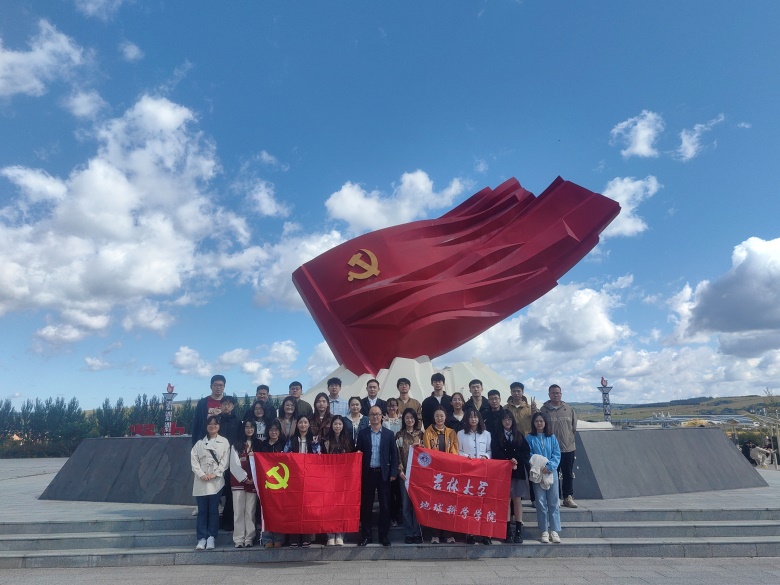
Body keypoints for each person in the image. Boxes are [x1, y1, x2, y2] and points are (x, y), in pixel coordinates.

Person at [356, 406, 398, 547]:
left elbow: (394, 455)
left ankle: (383, 536)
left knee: (385, 506)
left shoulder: (389, 434)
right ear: (368, 416)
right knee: (366, 506)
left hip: (383, 474)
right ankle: (366, 536)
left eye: (378, 414)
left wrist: (393, 472)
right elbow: (358, 454)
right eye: (372, 414)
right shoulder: (363, 434)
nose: (375, 417)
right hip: (368, 473)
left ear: (382, 416)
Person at [191, 415, 229, 550]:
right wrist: (202, 474)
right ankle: (201, 538)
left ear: (219, 426)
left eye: (215, 424)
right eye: (210, 424)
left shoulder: (224, 442)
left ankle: (211, 537)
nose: (213, 426)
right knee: (202, 511)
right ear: (206, 426)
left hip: (216, 481)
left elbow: (225, 461)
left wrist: (215, 473)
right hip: (201, 481)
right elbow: (194, 461)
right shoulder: (199, 443)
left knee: (213, 510)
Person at [492, 409, 531, 543]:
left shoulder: (518, 435)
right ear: (501, 421)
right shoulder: (497, 436)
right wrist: (508, 461)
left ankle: (518, 530)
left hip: (517, 471)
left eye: (509, 419)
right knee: (506, 500)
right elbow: (495, 452)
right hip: (503, 472)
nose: (507, 422)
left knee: (517, 499)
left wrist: (516, 460)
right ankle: (507, 530)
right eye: (505, 419)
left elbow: (525, 451)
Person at [422, 405, 458, 544]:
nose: (439, 418)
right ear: (433, 417)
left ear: (445, 417)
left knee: (448, 504)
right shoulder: (428, 432)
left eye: (441, 416)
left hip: (449, 473)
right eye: (437, 416)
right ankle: (435, 534)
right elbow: (427, 452)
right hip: (434, 473)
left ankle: (448, 534)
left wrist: (448, 464)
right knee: (435, 504)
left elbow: (454, 451)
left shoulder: (451, 432)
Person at [283, 416, 320, 548]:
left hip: (309, 478)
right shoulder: (291, 440)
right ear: (297, 425)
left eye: (305, 422)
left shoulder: (314, 440)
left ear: (309, 425)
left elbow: (318, 457)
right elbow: (284, 456)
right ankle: (293, 537)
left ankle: (306, 537)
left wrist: (314, 445)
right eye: (300, 422)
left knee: (307, 508)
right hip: (294, 479)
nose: (303, 425)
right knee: (294, 508)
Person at [457, 408, 492, 545]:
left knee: (484, 502)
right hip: (468, 471)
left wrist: (486, 456)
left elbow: (490, 450)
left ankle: (485, 533)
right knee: (469, 502)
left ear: (479, 419)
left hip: (484, 472)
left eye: (475, 417)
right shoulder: (460, 434)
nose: (473, 419)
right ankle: (470, 532)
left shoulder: (486, 434)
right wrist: (467, 457)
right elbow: (458, 451)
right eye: (470, 417)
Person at [540, 384, 578, 508]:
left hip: (568, 447)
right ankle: (555, 498)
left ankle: (568, 497)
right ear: (549, 394)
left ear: (561, 394)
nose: (556, 395)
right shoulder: (543, 410)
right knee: (552, 474)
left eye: (558, 393)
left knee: (568, 473)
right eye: (553, 393)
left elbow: (573, 427)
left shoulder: (569, 409)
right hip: (551, 449)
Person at [526, 412, 562, 544]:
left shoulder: (551, 437)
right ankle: (544, 531)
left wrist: (550, 466)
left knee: (553, 502)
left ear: (545, 423)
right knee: (540, 502)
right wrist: (540, 465)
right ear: (533, 423)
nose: (539, 423)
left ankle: (555, 530)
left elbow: (557, 454)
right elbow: (528, 453)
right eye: (537, 421)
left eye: (541, 421)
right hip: (537, 473)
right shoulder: (529, 438)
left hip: (551, 472)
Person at [322, 415, 354, 546]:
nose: (337, 426)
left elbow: (352, 457)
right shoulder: (325, 440)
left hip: (343, 478)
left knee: (342, 506)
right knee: (329, 506)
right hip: (328, 477)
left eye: (340, 424)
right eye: (335, 424)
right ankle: (330, 534)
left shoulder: (348, 440)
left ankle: (340, 534)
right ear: (331, 426)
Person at [229, 419, 261, 548]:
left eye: (252, 427)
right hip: (238, 482)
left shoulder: (258, 444)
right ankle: (238, 539)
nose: (249, 429)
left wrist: (253, 477)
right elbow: (234, 464)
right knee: (238, 511)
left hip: (253, 481)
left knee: (250, 511)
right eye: (247, 427)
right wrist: (244, 477)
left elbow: (261, 462)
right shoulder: (236, 444)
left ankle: (249, 538)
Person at [396, 408, 423, 544]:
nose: (409, 420)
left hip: (419, 476)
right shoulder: (399, 435)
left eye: (412, 418)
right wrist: (400, 470)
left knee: (417, 504)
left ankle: (417, 532)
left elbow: (427, 454)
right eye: (407, 418)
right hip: (404, 474)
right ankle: (408, 533)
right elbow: (397, 454)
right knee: (406, 505)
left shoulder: (421, 434)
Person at [258, 420, 285, 548]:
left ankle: (279, 537)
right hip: (266, 482)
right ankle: (267, 538)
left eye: (276, 430)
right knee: (266, 509)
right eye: (271, 430)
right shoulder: (262, 445)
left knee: (280, 509)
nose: (273, 432)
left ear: (279, 431)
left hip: (282, 482)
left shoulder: (284, 444)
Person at [382, 397, 403, 527]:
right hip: (388, 458)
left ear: (397, 407)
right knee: (390, 491)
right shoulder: (383, 422)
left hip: (401, 456)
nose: (391, 408)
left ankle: (399, 514)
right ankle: (392, 516)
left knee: (399, 492)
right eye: (389, 406)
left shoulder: (402, 420)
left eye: (394, 405)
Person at [192, 375, 226, 446]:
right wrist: (194, 444)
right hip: (204, 440)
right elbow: (196, 424)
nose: (218, 387)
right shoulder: (202, 403)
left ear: (224, 387)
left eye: (221, 385)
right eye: (215, 385)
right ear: (211, 386)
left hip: (223, 441)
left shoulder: (228, 403)